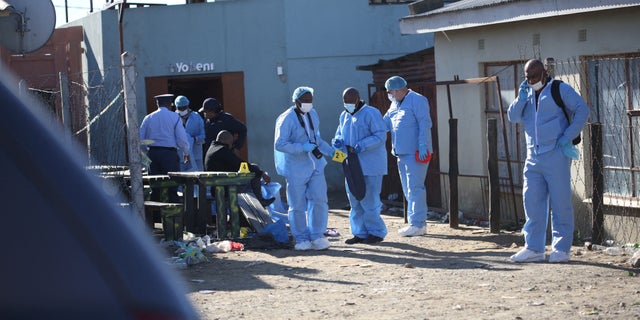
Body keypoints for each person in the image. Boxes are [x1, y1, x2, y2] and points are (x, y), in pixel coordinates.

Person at [507, 59, 590, 263]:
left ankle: (561, 248)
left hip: (556, 152)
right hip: (533, 155)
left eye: (535, 76)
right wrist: (520, 98)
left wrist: (568, 136)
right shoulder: (526, 93)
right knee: (532, 202)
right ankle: (533, 248)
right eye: (528, 77)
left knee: (560, 202)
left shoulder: (559, 89)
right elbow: (513, 116)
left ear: (544, 73)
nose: (532, 80)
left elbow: (582, 110)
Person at [274, 86, 334, 251]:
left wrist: (330, 151)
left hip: (316, 165)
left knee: (320, 201)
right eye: (305, 100)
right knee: (297, 205)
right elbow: (280, 144)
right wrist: (301, 147)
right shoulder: (286, 119)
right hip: (296, 169)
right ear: (296, 101)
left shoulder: (313, 114)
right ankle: (301, 238)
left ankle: (317, 235)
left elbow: (316, 139)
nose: (308, 103)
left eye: (310, 100)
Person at [333, 87, 388, 244]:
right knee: (355, 200)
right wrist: (337, 142)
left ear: (357, 99)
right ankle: (360, 233)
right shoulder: (344, 116)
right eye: (345, 102)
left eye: (350, 102)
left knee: (369, 200)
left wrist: (362, 145)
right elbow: (339, 134)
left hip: (370, 164)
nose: (348, 104)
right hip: (351, 164)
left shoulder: (371, 113)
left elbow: (380, 135)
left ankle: (376, 232)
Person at [382, 76, 433, 237]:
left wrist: (423, 144)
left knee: (415, 188)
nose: (390, 94)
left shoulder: (417, 100)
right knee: (408, 189)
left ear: (399, 90)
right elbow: (385, 123)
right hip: (401, 152)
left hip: (416, 152)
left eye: (391, 92)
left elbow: (425, 123)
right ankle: (415, 222)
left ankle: (418, 224)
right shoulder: (395, 103)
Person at [139, 94, 191, 202]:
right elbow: (181, 138)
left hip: (153, 154)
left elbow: (141, 139)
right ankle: (173, 216)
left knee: (155, 187)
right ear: (169, 104)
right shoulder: (175, 117)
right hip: (169, 155)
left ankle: (156, 216)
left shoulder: (148, 118)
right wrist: (186, 152)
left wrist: (146, 154)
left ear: (157, 104)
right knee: (172, 187)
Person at [204, 130, 275, 207]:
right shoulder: (222, 150)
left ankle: (255, 203)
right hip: (225, 188)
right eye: (231, 143)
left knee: (253, 171)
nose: (231, 145)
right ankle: (259, 201)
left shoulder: (212, 148)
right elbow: (239, 163)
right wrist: (261, 173)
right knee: (254, 170)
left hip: (218, 186)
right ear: (226, 140)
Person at [175, 95, 205, 171]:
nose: (182, 110)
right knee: (181, 179)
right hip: (180, 155)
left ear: (187, 106)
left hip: (196, 154)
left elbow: (203, 135)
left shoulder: (196, 117)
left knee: (197, 177)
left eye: (184, 107)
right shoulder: (173, 118)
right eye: (180, 108)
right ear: (176, 107)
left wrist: (194, 139)